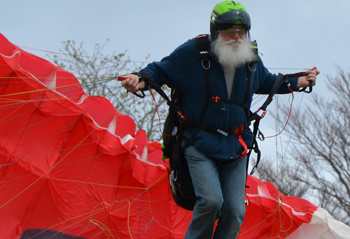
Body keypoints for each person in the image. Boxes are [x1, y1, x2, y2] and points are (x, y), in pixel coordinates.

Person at [120, 1, 319, 238]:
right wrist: (140, 80)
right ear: (216, 31)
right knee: (212, 201)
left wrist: (299, 81)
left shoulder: (251, 60)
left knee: (235, 210)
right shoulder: (192, 53)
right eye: (229, 31)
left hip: (236, 146)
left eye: (241, 31)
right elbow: (160, 70)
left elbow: (267, 81)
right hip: (198, 142)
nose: (236, 36)